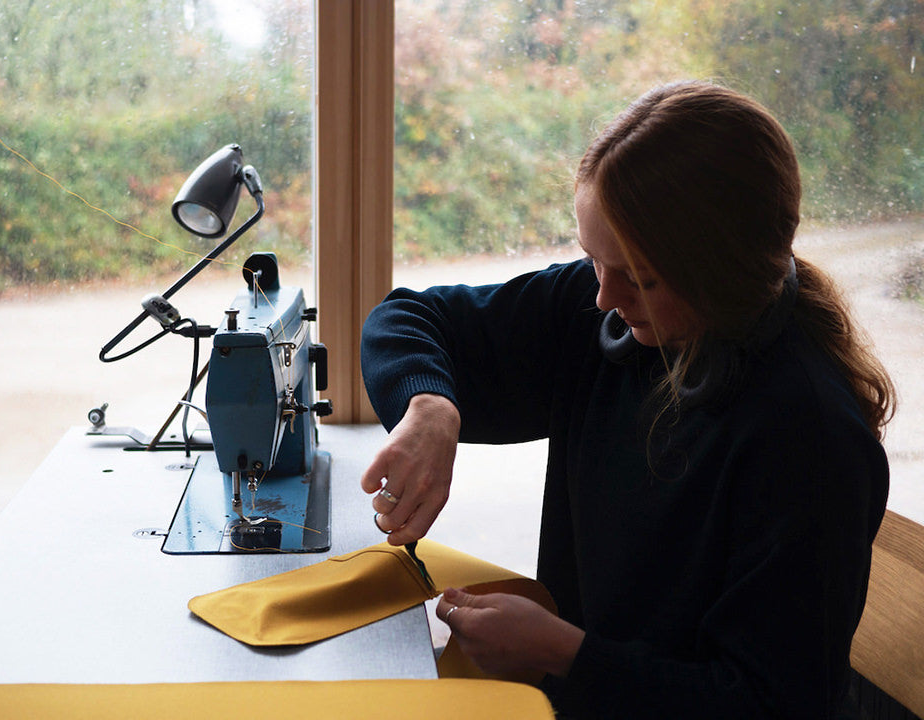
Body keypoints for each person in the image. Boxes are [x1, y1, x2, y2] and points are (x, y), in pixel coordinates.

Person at [359, 81, 896, 718]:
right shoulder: (608, 323)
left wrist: (566, 654)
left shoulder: (810, 441)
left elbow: (767, 703)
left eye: (641, 276)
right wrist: (431, 407)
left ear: (722, 272)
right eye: (593, 260)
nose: (604, 298)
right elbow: (408, 319)